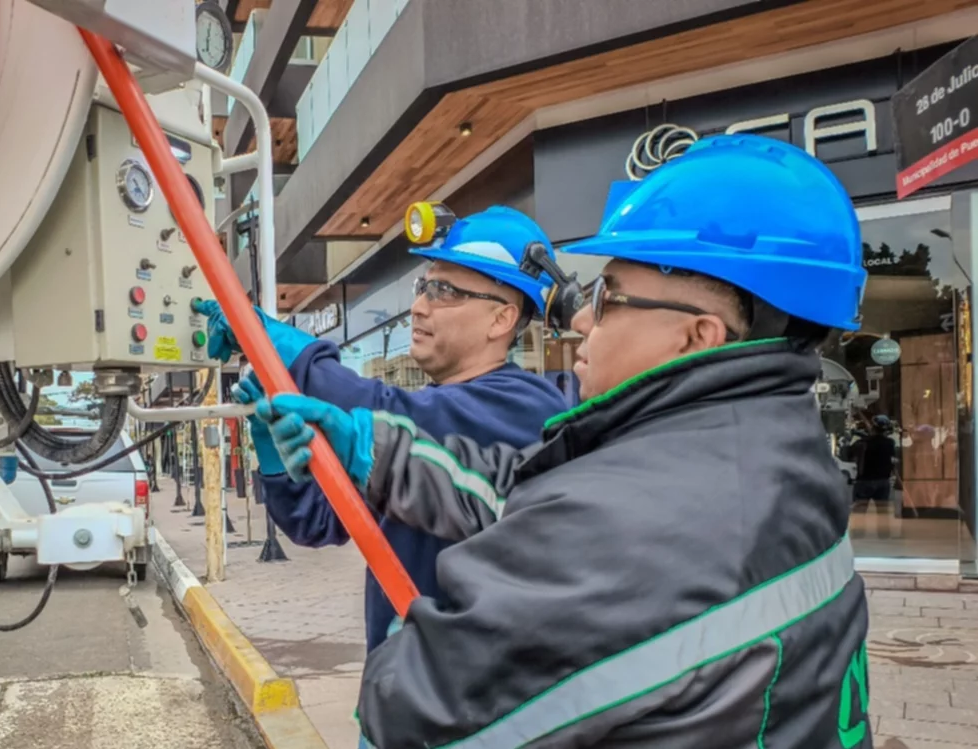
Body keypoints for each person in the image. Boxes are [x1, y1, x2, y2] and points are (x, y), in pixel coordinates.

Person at [253, 134, 873, 747]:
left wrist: (401, 641)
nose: (578, 321)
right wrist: (369, 451)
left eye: (608, 299)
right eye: (422, 287)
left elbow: (420, 709)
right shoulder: (780, 459)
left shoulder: (641, 521)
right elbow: (516, 489)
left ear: (698, 336)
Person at [192, 206, 568, 660]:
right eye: (423, 286)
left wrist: (289, 349)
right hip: (402, 691)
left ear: (502, 320)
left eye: (444, 291)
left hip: (471, 701)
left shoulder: (524, 406)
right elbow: (318, 523)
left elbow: (399, 414)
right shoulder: (429, 408)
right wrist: (272, 449)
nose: (419, 306)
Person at [853, 414, 897, 504]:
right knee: (882, 511)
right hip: (883, 480)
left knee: (860, 511)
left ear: (873, 427)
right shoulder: (890, 443)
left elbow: (851, 455)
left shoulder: (863, 442)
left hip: (865, 480)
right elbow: (892, 459)